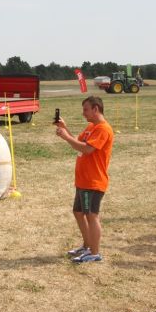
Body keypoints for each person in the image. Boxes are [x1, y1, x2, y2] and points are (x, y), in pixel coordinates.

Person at [54, 96, 114, 263]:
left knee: (91, 215)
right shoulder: (90, 127)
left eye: (86, 109)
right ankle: (87, 246)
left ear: (96, 109)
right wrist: (65, 129)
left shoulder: (103, 129)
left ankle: (94, 253)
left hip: (93, 181)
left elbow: (87, 149)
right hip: (83, 180)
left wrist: (66, 137)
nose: (83, 113)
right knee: (79, 212)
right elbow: (78, 143)